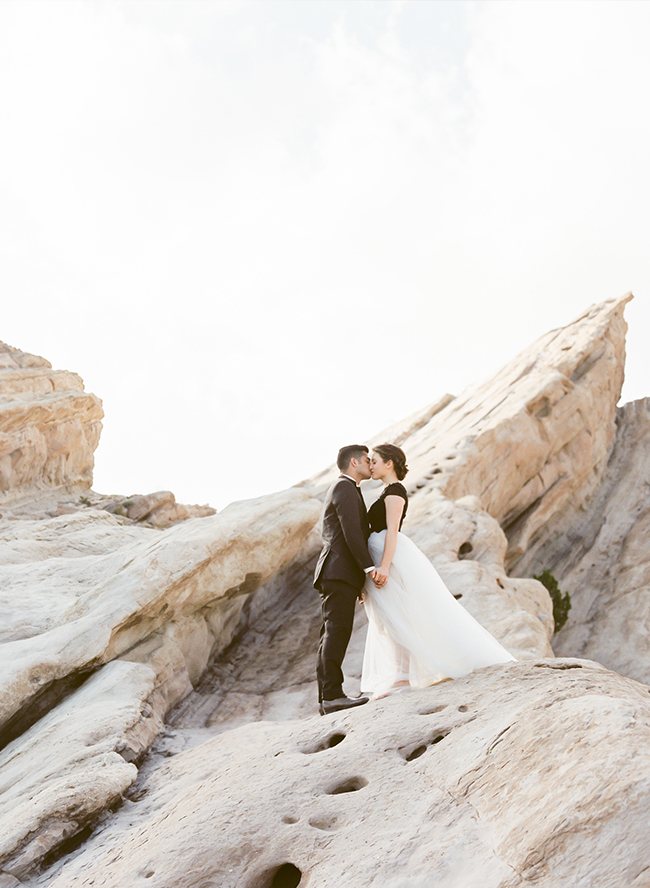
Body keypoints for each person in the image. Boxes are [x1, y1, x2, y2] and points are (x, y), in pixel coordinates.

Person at [360, 443, 516, 699]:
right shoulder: (387, 492)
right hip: (383, 557)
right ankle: (399, 677)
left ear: (389, 463)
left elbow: (392, 533)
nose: (372, 466)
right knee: (391, 619)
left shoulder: (395, 493)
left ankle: (401, 679)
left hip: (391, 559)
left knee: (397, 616)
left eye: (375, 461)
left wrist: (385, 566)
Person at [314, 444, 380, 715]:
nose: (370, 464)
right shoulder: (343, 487)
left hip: (340, 573)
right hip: (337, 571)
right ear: (354, 462)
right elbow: (352, 532)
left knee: (333, 632)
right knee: (336, 632)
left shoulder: (348, 488)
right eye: (367, 460)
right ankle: (332, 696)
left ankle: (328, 698)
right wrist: (368, 569)